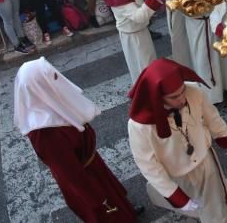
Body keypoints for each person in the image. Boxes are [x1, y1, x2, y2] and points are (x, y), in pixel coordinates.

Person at [14, 58, 139, 222]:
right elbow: (70, 173)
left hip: (90, 164)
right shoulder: (44, 134)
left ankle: (126, 212)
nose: (57, 78)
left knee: (115, 202)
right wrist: (96, 196)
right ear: (40, 87)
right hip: (84, 177)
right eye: (51, 77)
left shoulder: (49, 103)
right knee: (106, 211)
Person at [127, 58, 227, 223]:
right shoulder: (139, 126)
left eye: (182, 91)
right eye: (173, 97)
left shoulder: (194, 93)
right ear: (157, 97)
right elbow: (148, 164)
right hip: (177, 173)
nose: (182, 99)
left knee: (216, 202)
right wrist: (176, 196)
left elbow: (212, 118)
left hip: (205, 161)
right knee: (195, 208)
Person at [104, 0, 161, 79]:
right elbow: (139, 17)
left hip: (141, 31)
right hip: (133, 37)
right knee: (144, 67)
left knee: (149, 63)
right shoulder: (118, 0)